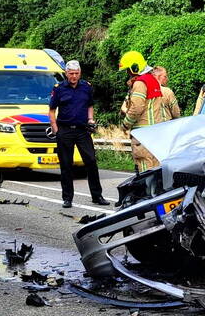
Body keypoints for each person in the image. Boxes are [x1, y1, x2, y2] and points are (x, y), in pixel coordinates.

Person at [48, 60, 110, 210]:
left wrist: (90, 119)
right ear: (66, 73)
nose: (74, 76)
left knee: (91, 162)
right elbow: (51, 110)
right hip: (65, 130)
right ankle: (67, 198)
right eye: (71, 73)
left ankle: (97, 196)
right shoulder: (59, 89)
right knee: (66, 165)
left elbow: (90, 105)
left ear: (80, 73)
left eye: (76, 73)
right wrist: (56, 130)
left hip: (82, 130)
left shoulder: (86, 87)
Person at [118, 50, 166, 172]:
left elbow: (136, 108)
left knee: (145, 167)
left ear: (135, 67)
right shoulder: (152, 79)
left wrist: (125, 124)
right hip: (157, 131)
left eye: (128, 70)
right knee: (156, 165)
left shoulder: (140, 83)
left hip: (143, 133)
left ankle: (149, 191)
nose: (128, 73)